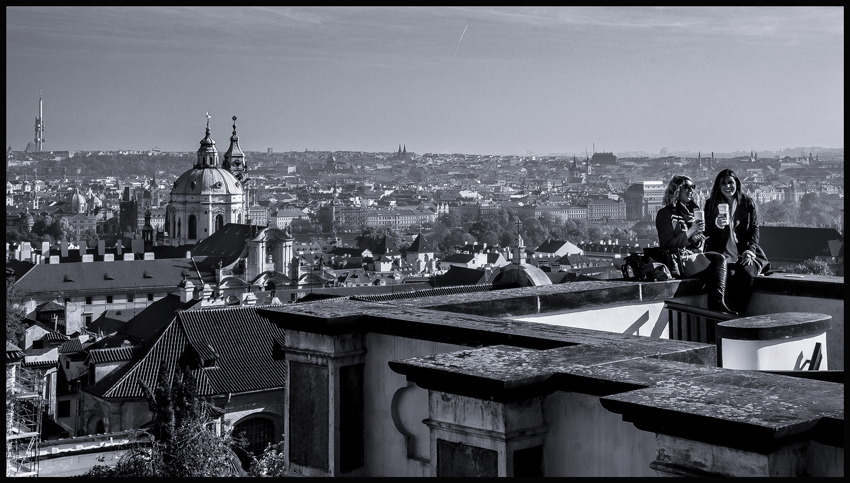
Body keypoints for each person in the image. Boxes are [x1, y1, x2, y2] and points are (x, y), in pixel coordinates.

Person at [655, 175, 736, 314]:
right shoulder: (665, 214)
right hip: (678, 260)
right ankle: (717, 303)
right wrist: (691, 231)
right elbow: (668, 244)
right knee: (718, 260)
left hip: (694, 256)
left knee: (722, 260)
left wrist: (704, 232)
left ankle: (719, 303)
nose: (691, 190)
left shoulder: (694, 211)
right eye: (687, 187)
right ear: (676, 190)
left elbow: (700, 240)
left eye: (693, 187)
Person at [704, 169, 769, 314]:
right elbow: (706, 231)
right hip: (720, 254)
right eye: (723, 183)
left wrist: (750, 250)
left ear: (737, 184)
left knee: (746, 274)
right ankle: (726, 316)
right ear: (718, 186)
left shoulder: (747, 203)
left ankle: (738, 313)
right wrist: (716, 224)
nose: (727, 187)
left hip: (744, 252)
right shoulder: (711, 204)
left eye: (730, 183)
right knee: (723, 280)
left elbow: (754, 230)